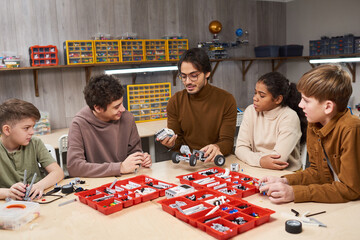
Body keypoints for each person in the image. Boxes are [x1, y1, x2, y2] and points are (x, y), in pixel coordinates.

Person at [259, 64, 360, 203]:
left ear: (328, 107)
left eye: (306, 100)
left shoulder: (351, 129)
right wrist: (285, 181)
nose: (300, 105)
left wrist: (295, 193)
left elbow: (350, 190)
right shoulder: (314, 123)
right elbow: (317, 173)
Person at [158, 48, 237, 162]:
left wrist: (217, 147)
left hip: (214, 162)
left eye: (193, 75)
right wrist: (170, 143)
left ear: (207, 73)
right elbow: (177, 144)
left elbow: (227, 142)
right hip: (187, 163)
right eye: (183, 76)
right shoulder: (175, 101)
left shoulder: (226, 100)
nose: (188, 82)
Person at [67, 74, 152, 178]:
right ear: (98, 108)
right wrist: (119, 168)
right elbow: (75, 168)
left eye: (122, 103)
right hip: (94, 185)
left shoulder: (127, 118)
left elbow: (135, 152)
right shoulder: (79, 124)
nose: (123, 109)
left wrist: (141, 159)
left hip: (124, 182)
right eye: (116, 107)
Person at [235, 72, 307, 171]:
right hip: (257, 168)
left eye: (262, 95)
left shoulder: (289, 117)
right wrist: (260, 161)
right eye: (255, 92)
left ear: (278, 99)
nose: (255, 98)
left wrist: (249, 156)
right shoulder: (250, 111)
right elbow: (239, 149)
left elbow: (279, 159)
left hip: (286, 173)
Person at [0, 99, 64, 200]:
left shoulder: (35, 143)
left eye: (33, 127)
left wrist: (39, 185)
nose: (32, 132)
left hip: (37, 200)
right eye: (26, 128)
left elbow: (58, 172)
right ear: (7, 130)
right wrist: (8, 192)